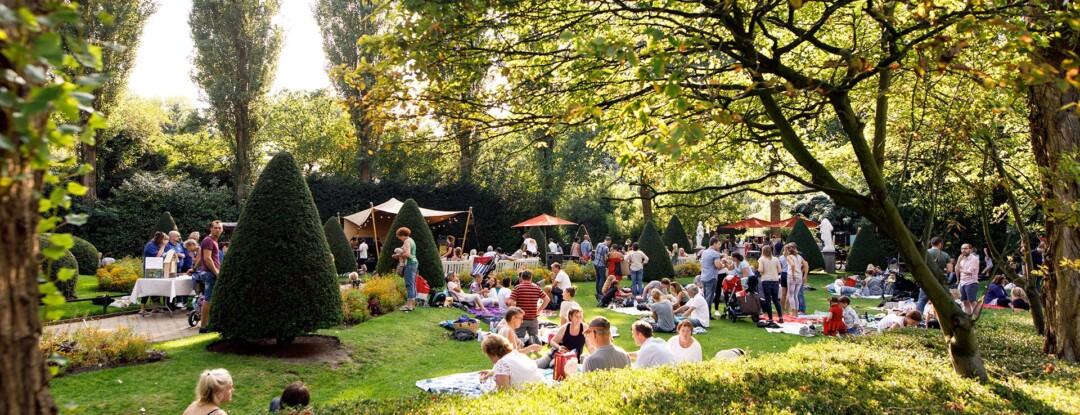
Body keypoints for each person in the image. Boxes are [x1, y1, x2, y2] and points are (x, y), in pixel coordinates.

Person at [478, 333, 544, 390]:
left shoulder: (502, 364)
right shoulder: (516, 355)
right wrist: (494, 372)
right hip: (542, 388)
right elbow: (516, 370)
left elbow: (503, 392)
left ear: (492, 354)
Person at [195, 221, 223, 333]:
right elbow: (207, 259)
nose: (217, 230)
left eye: (219, 228)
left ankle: (210, 323)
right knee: (209, 300)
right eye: (215, 228)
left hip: (208, 272)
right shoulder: (209, 240)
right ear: (211, 228)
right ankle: (203, 327)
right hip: (210, 273)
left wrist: (194, 268)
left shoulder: (212, 241)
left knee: (211, 298)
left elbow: (202, 257)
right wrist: (216, 272)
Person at [507, 270, 549, 346]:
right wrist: (539, 310)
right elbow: (547, 299)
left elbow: (510, 302)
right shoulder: (536, 288)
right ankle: (534, 347)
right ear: (531, 278)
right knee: (534, 338)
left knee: (519, 339)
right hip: (533, 317)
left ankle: (522, 350)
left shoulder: (517, 288)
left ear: (522, 278)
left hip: (520, 318)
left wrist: (513, 305)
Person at [919, 237, 953, 314]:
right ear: (940, 244)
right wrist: (943, 270)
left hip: (926, 279)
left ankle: (917, 318)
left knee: (922, 300)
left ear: (931, 243)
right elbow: (950, 270)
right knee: (943, 300)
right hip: (939, 280)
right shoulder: (945, 255)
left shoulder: (925, 253)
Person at [139, 231, 169, 316]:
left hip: (158, 270)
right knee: (147, 288)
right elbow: (157, 257)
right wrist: (163, 247)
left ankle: (154, 307)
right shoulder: (150, 245)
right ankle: (142, 309)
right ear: (160, 239)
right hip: (150, 270)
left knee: (156, 287)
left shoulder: (157, 245)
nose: (165, 241)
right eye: (164, 239)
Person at [392, 227, 419, 312]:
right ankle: (413, 304)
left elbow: (407, 254)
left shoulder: (407, 241)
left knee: (409, 284)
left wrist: (397, 255)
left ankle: (409, 306)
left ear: (402, 235)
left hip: (410, 264)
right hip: (413, 263)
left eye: (399, 236)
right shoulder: (410, 240)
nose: (399, 238)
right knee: (412, 284)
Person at [757, 245, 783, 323]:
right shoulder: (775, 259)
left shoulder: (761, 259)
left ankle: (770, 318)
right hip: (775, 280)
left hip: (766, 280)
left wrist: (760, 271)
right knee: (776, 300)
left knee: (768, 300)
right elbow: (779, 270)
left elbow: (760, 269)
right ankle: (781, 317)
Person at [699, 237, 723, 317]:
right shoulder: (715, 253)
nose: (719, 246)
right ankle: (707, 314)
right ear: (714, 243)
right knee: (709, 297)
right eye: (718, 244)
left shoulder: (704, 252)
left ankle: (705, 313)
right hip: (711, 276)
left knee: (706, 296)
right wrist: (723, 264)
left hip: (704, 276)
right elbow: (718, 266)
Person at [783, 243, 807, 317]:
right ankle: (796, 313)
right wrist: (805, 276)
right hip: (799, 276)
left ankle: (793, 312)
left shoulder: (789, 257)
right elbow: (806, 265)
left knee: (791, 296)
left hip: (792, 277)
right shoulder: (800, 256)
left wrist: (793, 274)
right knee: (796, 295)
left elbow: (792, 265)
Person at [956, 243, 980, 314]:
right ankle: (968, 320)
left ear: (970, 249)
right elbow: (956, 270)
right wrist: (958, 261)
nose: (963, 250)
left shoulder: (974, 259)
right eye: (962, 248)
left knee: (972, 302)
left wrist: (960, 270)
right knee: (965, 303)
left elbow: (970, 272)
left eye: (965, 248)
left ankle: (977, 320)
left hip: (971, 283)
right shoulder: (961, 259)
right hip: (962, 283)